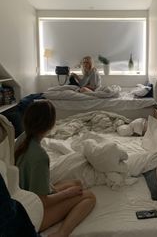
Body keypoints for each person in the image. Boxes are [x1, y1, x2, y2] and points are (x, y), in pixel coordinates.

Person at [15, 100, 96, 237]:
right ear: (51, 124)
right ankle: (62, 233)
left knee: (76, 184)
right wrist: (66, 194)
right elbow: (42, 201)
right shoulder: (39, 156)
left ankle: (65, 193)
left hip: (25, 197)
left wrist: (58, 190)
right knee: (89, 196)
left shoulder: (22, 138)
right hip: (30, 213)